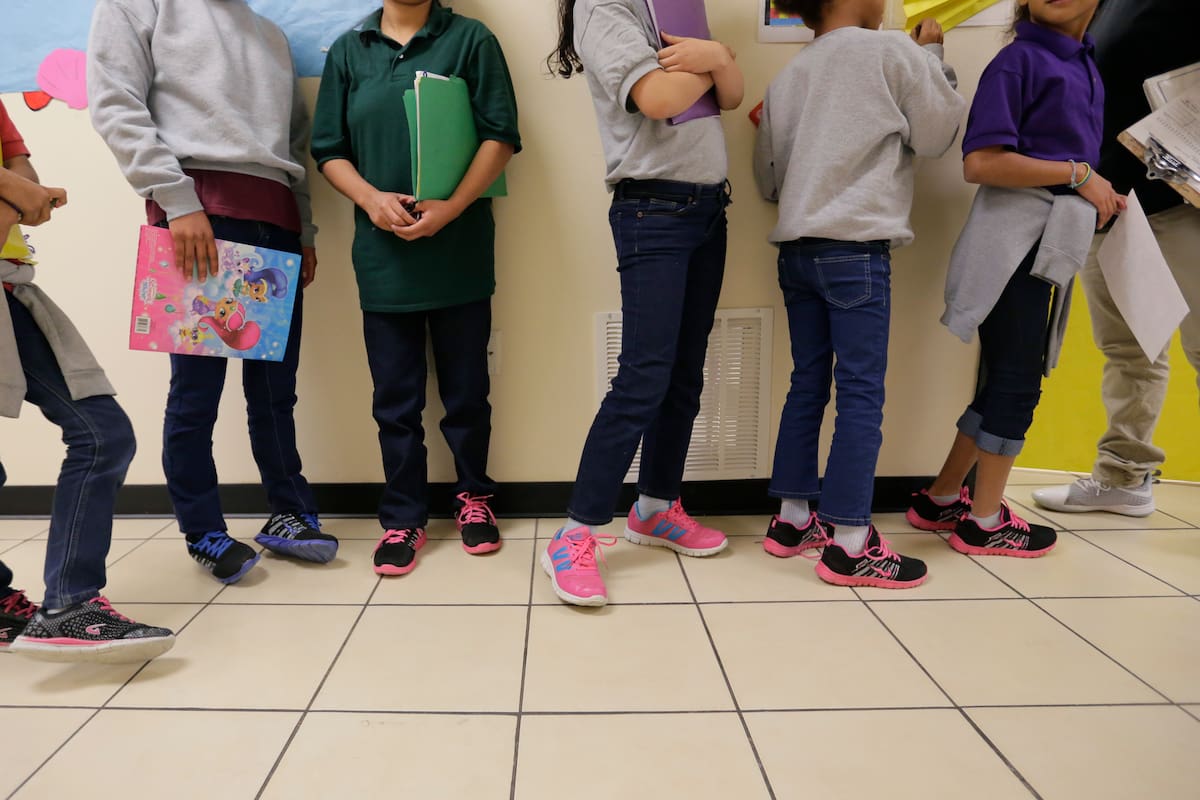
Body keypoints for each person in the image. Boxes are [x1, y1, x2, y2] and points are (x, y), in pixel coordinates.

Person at [88, 0, 338, 584]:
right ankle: (203, 529)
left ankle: (289, 514)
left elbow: (294, 146)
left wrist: (303, 231)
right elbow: (114, 102)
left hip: (275, 220)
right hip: (198, 212)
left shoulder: (271, 35)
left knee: (275, 392)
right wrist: (177, 202)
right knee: (197, 393)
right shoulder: (139, 5)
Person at [754, 0, 965, 588]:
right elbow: (939, 133)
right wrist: (935, 59)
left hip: (797, 253)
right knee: (861, 395)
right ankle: (849, 542)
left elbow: (769, 178)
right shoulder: (893, 51)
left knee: (808, 382)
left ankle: (792, 521)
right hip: (855, 250)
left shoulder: (787, 76)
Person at [543, 0, 744, 606]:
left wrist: (718, 58)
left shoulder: (677, 5)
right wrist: (718, 58)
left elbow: (731, 96)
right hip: (652, 211)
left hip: (708, 209)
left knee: (684, 374)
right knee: (644, 376)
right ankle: (575, 532)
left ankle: (655, 507)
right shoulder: (605, 8)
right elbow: (659, 98)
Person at [311, 0, 520, 576]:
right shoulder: (351, 50)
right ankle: (403, 516)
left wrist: (451, 208)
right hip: (383, 255)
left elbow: (500, 134)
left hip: (459, 248)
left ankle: (474, 498)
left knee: (467, 392)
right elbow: (328, 148)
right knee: (395, 401)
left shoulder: (471, 40)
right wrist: (373, 200)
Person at [908, 0, 1124, 556]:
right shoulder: (1019, 61)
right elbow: (981, 162)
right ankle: (983, 522)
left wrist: (1093, 188)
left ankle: (941, 497)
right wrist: (1080, 175)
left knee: (1005, 375)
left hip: (1043, 242)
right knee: (1017, 382)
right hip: (1012, 246)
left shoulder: (1082, 62)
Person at [0, 98, 175, 662]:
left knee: (103, 432)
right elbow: (22, 192)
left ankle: (69, 604)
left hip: (11, 284)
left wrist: (17, 191)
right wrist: (17, 192)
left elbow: (29, 188)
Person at [1033, 0, 1200, 517]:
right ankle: (1123, 476)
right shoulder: (1102, 5)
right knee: (1129, 351)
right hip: (1109, 205)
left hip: (1180, 202)